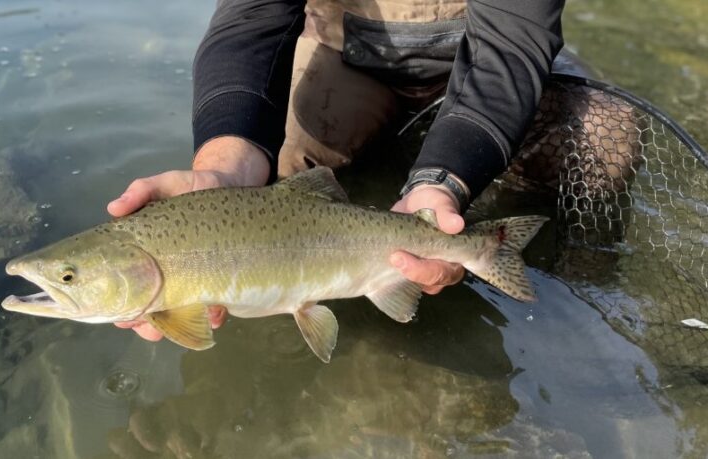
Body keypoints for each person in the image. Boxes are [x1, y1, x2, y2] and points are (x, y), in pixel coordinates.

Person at [109, 0, 568, 341]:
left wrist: (444, 180)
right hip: (348, 58)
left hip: (491, 65)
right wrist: (226, 164)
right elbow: (251, 17)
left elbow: (512, 46)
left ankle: (545, 259)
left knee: (611, 147)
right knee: (281, 169)